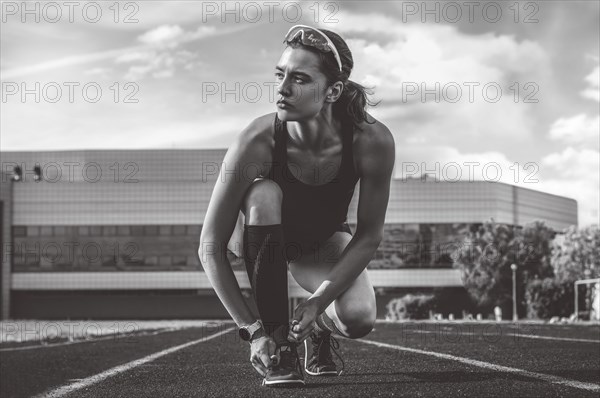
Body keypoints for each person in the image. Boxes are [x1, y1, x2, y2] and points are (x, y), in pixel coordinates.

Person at [198, 24, 395, 387]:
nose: (282, 89)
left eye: (300, 79)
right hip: (261, 242)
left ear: (333, 90)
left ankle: (318, 332)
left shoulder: (372, 140)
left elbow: (368, 235)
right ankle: (280, 348)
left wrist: (318, 303)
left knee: (359, 317)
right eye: (280, 74)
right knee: (263, 193)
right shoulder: (256, 141)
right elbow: (210, 247)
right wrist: (253, 330)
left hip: (320, 243)